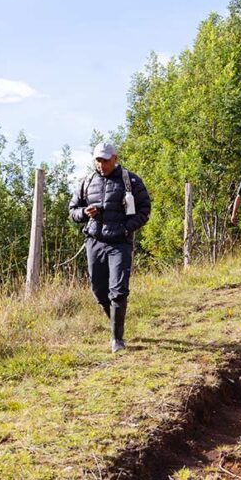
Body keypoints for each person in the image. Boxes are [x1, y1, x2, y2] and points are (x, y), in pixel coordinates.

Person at [69, 143, 151, 353]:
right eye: (98, 160)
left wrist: (126, 229)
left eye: (105, 160)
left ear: (115, 158)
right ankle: (116, 321)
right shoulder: (87, 182)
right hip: (94, 241)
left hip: (120, 243)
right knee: (98, 291)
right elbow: (72, 211)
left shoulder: (130, 181)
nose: (101, 164)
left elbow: (144, 209)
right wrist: (84, 213)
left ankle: (117, 339)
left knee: (118, 290)